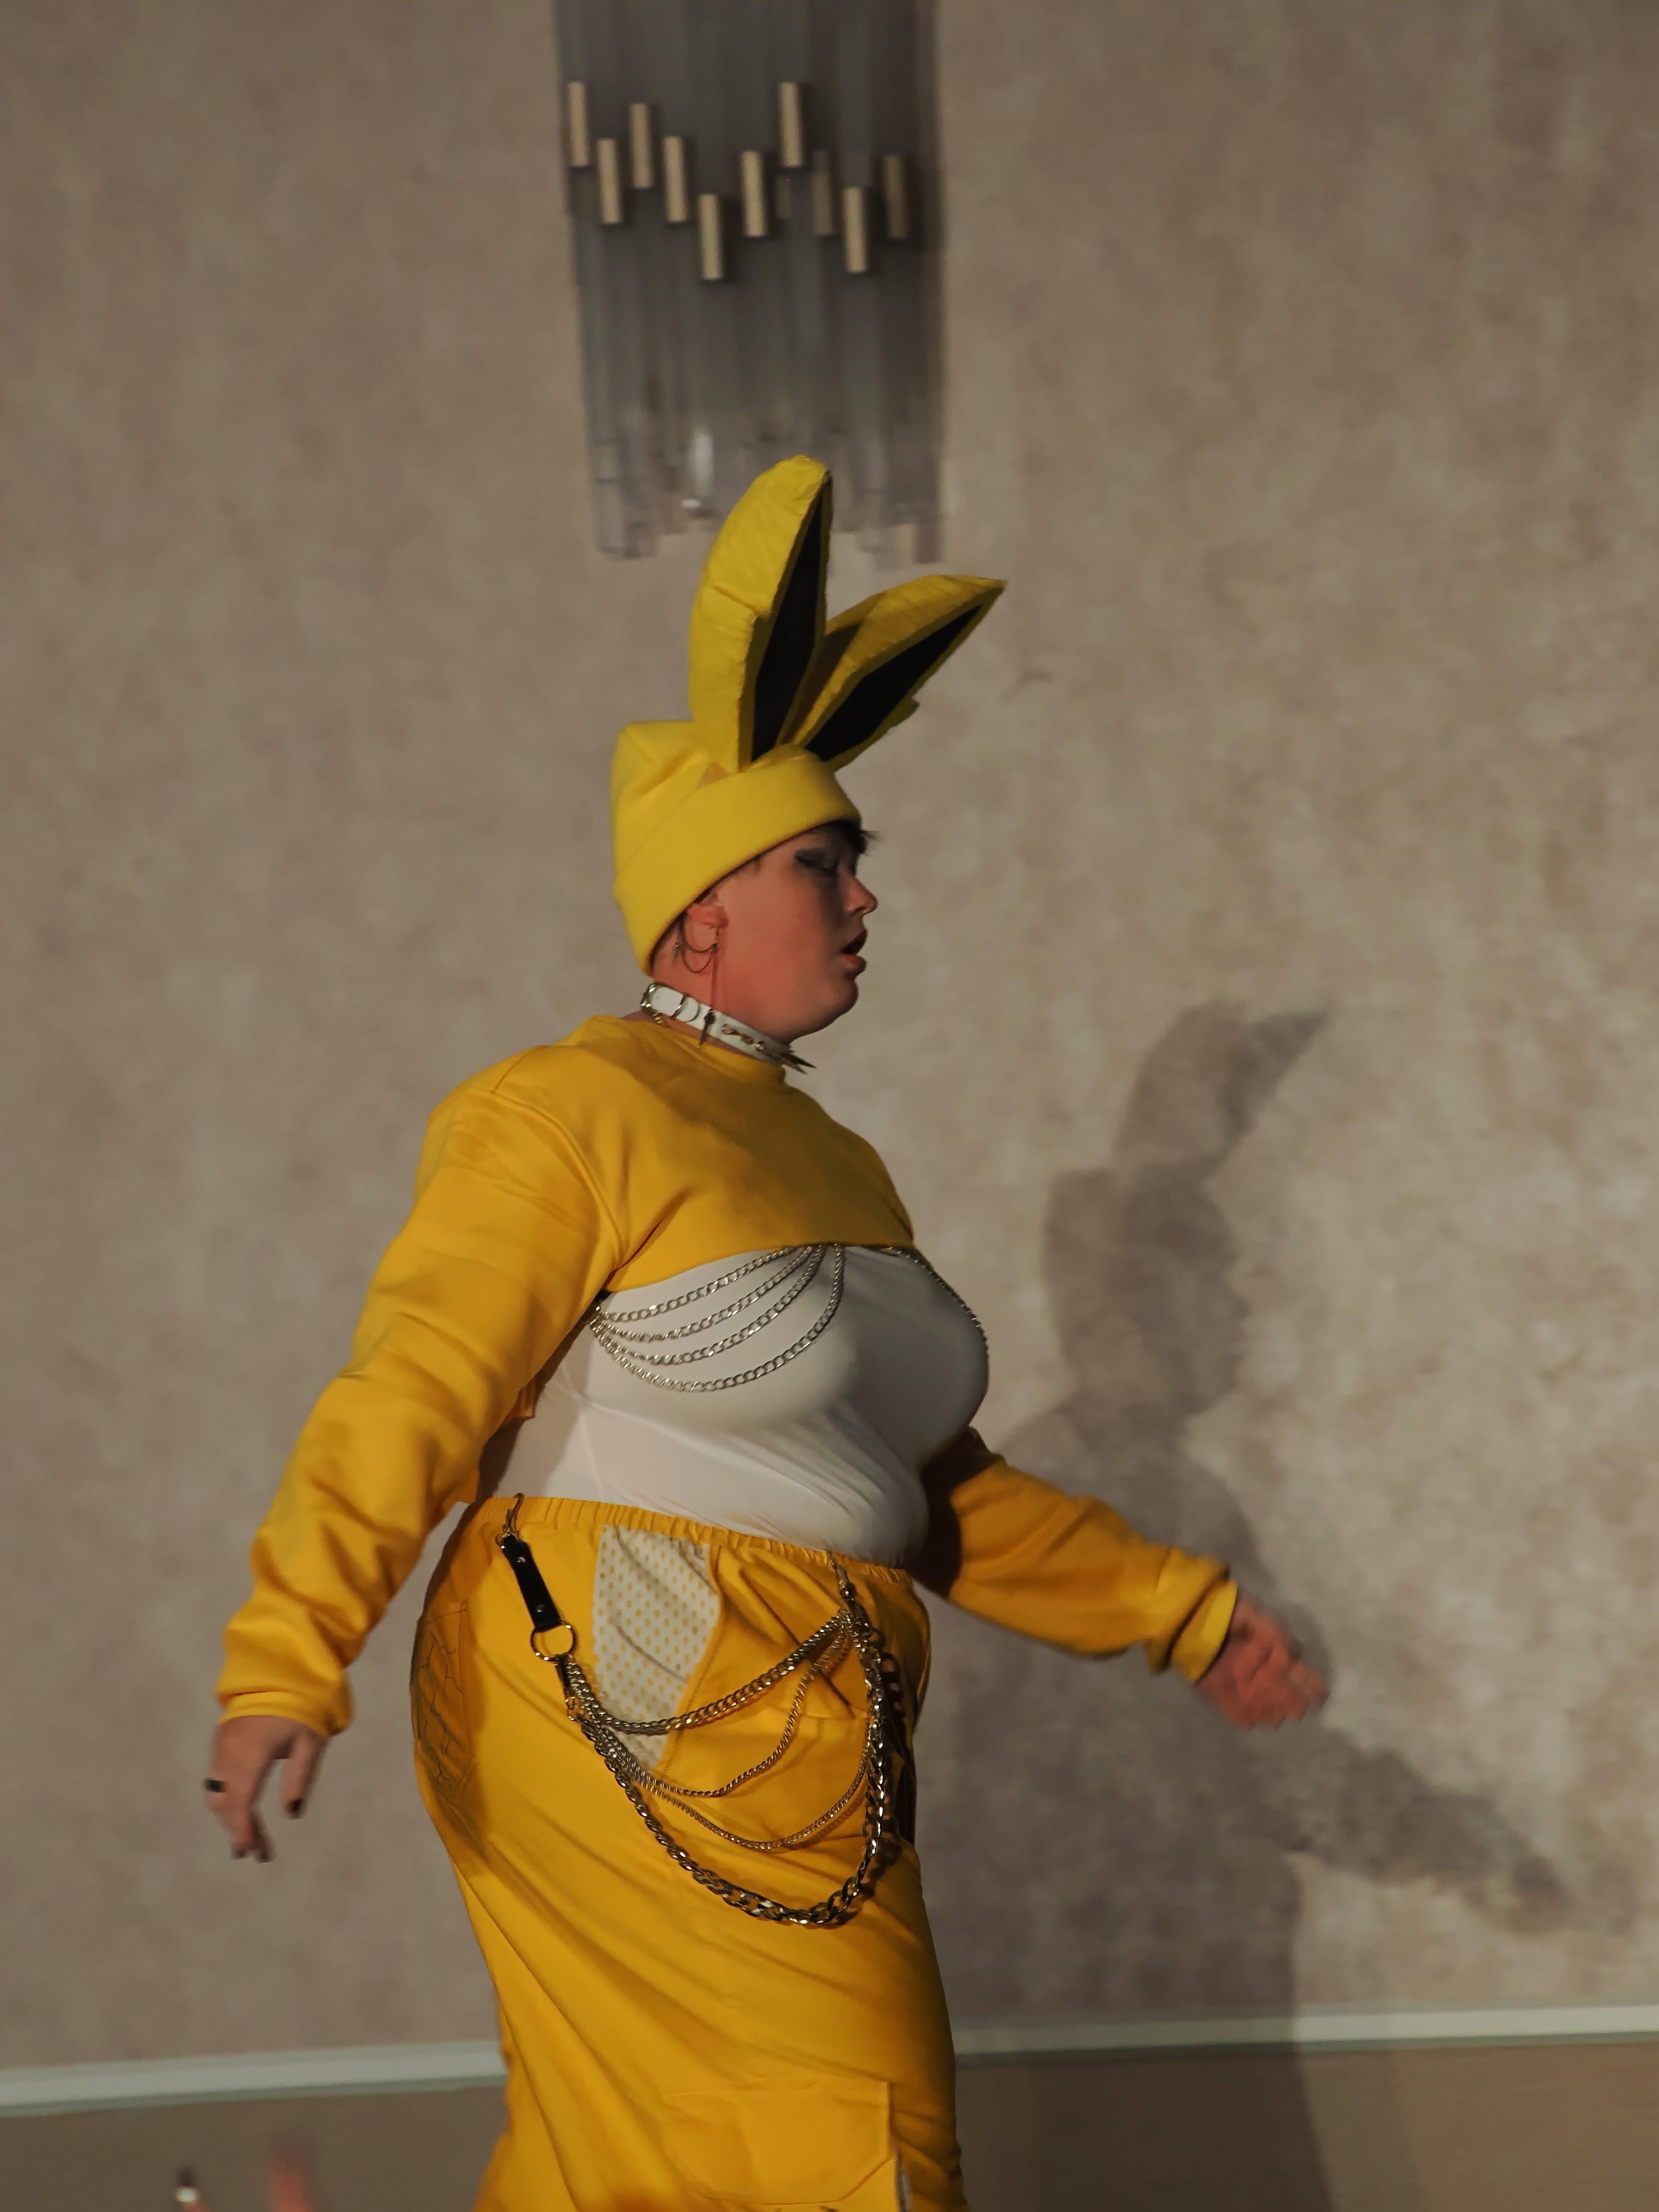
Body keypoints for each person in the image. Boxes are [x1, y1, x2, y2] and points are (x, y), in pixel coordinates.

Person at [205, 456, 1326, 2212]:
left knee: (633, 2164)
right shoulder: (565, 1108)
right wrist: (288, 1660)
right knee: (851, 2144)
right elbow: (414, 1385)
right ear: (701, 908)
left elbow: (927, 1491)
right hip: (629, 1668)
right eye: (828, 863)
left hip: (802, 1687)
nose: (866, 901)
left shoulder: (831, 1157)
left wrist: (1178, 1610)